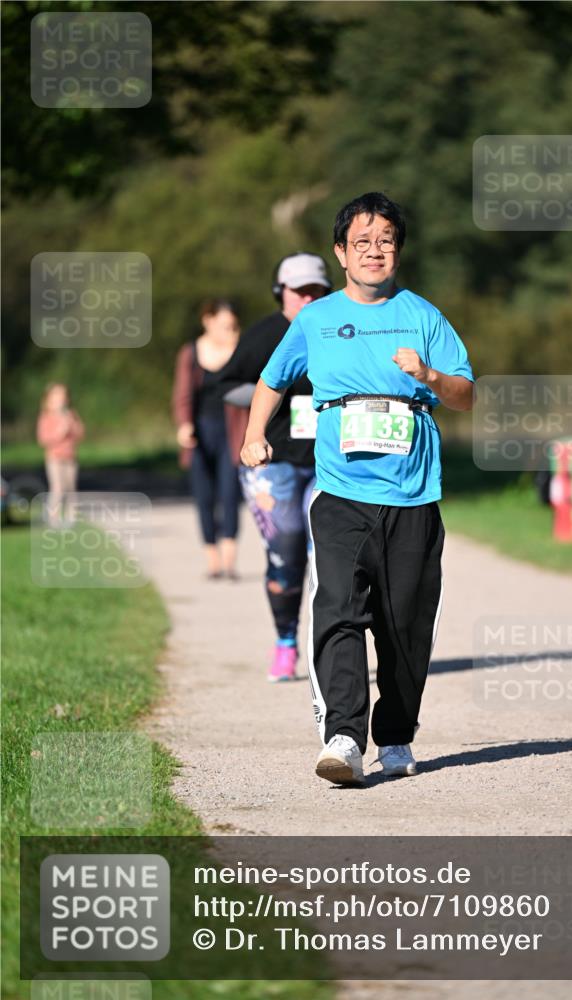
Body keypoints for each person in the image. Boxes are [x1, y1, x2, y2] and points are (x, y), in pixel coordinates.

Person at [241, 192, 474, 784]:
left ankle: (394, 737)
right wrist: (253, 436)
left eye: (386, 242)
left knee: (404, 625)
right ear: (341, 253)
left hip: (413, 494)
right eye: (363, 242)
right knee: (339, 608)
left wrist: (427, 375)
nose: (376, 252)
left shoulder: (424, 315)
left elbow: (465, 393)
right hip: (342, 490)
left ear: (398, 250)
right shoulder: (316, 320)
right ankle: (344, 736)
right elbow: (272, 379)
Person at [215, 254, 332, 681]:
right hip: (274, 462)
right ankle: (285, 640)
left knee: (331, 556)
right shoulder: (264, 334)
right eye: (299, 289)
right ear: (279, 291)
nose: (308, 296)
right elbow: (224, 386)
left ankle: (329, 645)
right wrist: (271, 395)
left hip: (331, 461)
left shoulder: (339, 327)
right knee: (285, 553)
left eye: (316, 289)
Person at [172, 298, 244, 580]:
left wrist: (238, 348)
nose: (228, 329)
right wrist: (184, 424)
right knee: (204, 496)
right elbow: (182, 393)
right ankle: (212, 559)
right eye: (224, 324)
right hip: (200, 432)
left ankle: (229, 561)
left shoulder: (240, 351)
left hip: (232, 432)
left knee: (229, 494)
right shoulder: (191, 352)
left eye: (233, 325)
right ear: (208, 321)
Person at [37, 383, 85, 527]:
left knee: (70, 488)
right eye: (57, 396)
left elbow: (80, 434)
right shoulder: (46, 417)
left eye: (63, 396)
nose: (61, 399)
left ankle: (71, 518)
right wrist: (60, 431)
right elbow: (43, 439)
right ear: (49, 399)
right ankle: (53, 517)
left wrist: (73, 425)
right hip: (54, 457)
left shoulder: (70, 414)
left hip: (70, 457)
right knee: (57, 487)